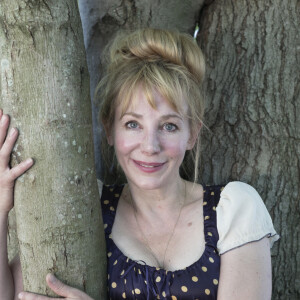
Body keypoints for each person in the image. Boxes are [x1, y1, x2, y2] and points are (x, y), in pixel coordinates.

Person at [0, 28, 279, 300]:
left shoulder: (233, 211)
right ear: (109, 129)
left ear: (192, 134)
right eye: (132, 124)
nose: (149, 146)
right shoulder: (85, 208)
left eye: (168, 126)